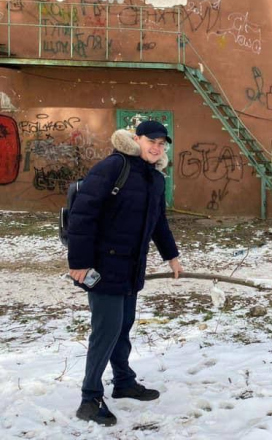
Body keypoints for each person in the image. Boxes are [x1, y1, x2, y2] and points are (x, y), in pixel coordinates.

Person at [68, 120, 183, 427]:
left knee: (123, 326)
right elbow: (83, 214)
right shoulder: (113, 167)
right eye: (151, 141)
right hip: (103, 267)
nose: (156, 148)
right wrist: (79, 262)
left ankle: (123, 382)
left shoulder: (154, 178)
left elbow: (159, 222)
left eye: (161, 144)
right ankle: (90, 399)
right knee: (106, 330)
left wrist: (171, 256)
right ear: (136, 139)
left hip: (131, 267)